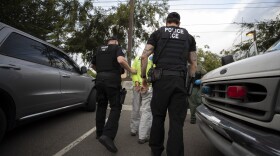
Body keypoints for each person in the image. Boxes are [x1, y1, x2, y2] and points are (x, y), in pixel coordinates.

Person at [141, 12, 197, 156]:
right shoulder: (188, 37)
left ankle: (156, 150)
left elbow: (144, 56)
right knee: (177, 122)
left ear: (167, 22)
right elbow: (193, 64)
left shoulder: (158, 33)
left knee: (158, 117)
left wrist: (143, 78)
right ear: (179, 22)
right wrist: (189, 83)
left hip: (160, 81)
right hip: (179, 82)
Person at [91, 36, 136, 153]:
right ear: (116, 42)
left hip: (99, 79)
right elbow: (121, 60)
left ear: (107, 42)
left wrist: (101, 72)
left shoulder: (99, 49)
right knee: (116, 107)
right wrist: (131, 70)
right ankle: (107, 135)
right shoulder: (116, 48)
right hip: (112, 81)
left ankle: (99, 133)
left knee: (101, 106)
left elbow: (93, 65)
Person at [130, 56, 153, 144]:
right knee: (146, 110)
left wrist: (136, 83)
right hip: (147, 87)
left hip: (137, 85)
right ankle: (144, 134)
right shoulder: (153, 59)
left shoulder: (137, 58)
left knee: (136, 108)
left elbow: (133, 71)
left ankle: (133, 129)